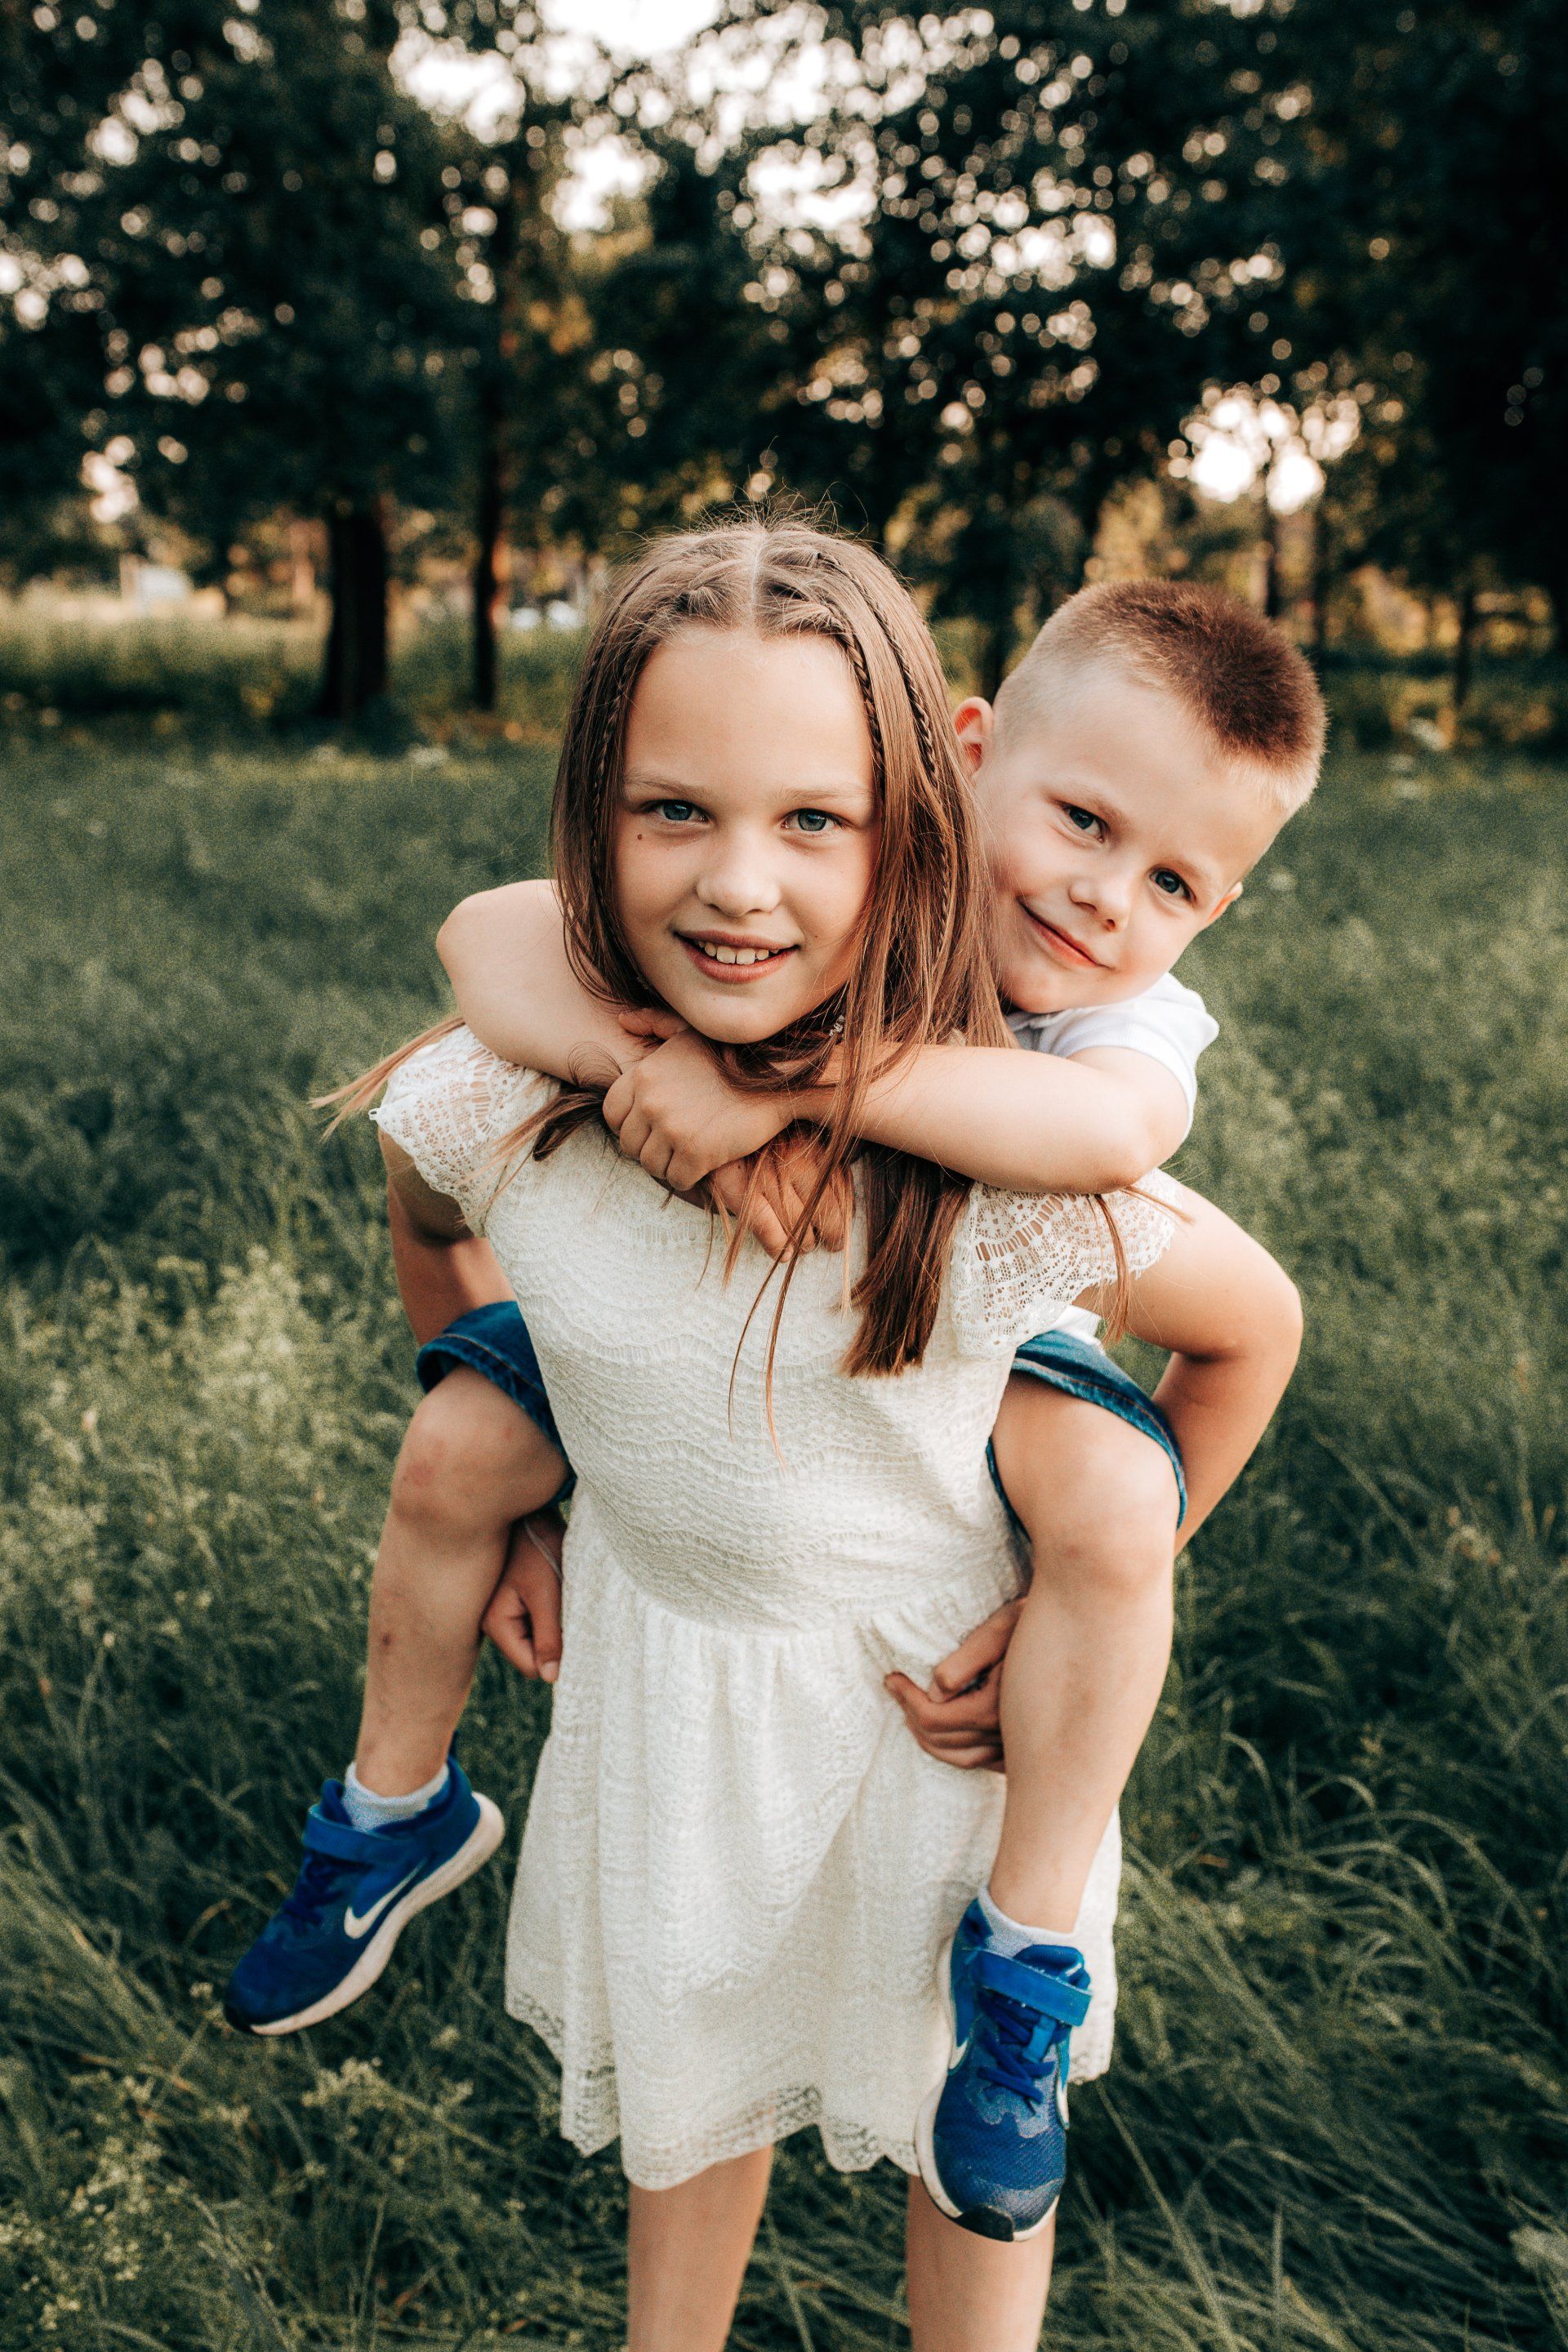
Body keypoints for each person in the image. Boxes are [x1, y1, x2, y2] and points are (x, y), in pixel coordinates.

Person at [225, 527, 1300, 2339]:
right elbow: (476, 979)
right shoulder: (579, 1059)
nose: (1105, 898)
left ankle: (1022, 1972)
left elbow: (1213, 1273)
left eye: (814, 822)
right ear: (959, 763)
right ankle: (392, 1810)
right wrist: (533, 1468)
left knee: (1107, 1510)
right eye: (679, 815)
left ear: (892, 803)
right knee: (688, 2043)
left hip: (937, 1644)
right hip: (684, 1682)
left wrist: (776, 1087)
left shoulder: (1069, 1068)